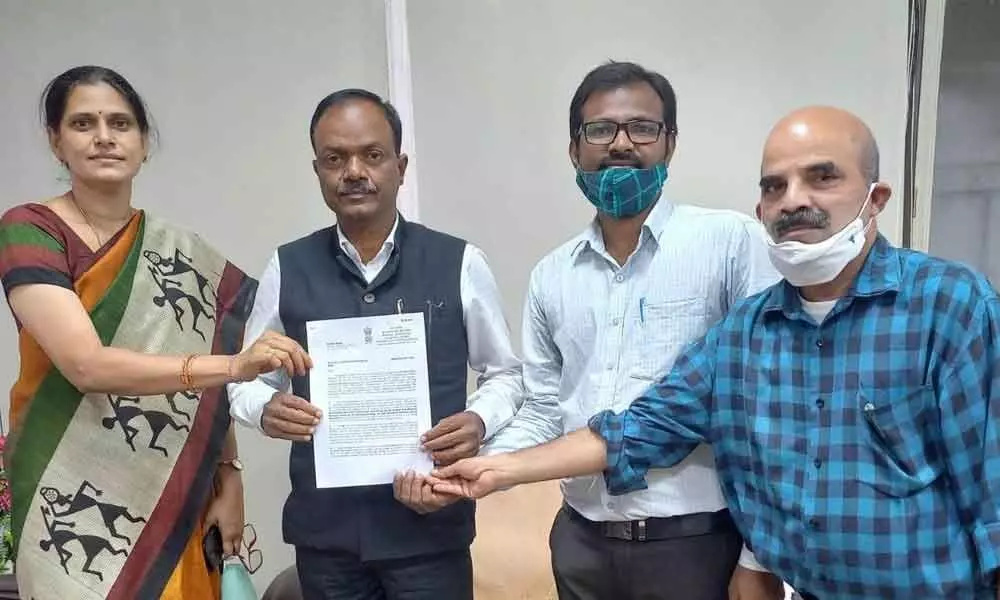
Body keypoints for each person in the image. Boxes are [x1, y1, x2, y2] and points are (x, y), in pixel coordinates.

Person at [433, 105, 1000, 600]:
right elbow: (636, 429)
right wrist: (495, 469)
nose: (793, 200)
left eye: (821, 177)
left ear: (875, 198)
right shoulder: (745, 335)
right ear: (761, 212)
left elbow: (991, 485)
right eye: (774, 186)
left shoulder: (950, 307)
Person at [0, 66, 310, 599]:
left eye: (120, 123)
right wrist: (234, 366)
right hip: (67, 483)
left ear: (143, 144)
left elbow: (206, 354)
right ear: (56, 142)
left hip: (174, 486)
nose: (104, 136)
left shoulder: (182, 255)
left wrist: (229, 475)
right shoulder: (30, 230)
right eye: (83, 123)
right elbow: (86, 365)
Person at [476, 61, 783, 600]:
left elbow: (766, 410)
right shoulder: (552, 275)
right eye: (600, 130)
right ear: (575, 149)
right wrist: (482, 462)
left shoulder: (731, 243)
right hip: (580, 543)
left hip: (695, 545)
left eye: (641, 128)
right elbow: (545, 407)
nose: (621, 143)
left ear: (669, 143)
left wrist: (756, 556)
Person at [227, 88, 522, 600]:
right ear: (317, 170)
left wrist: (478, 421)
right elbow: (246, 379)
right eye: (335, 159)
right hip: (327, 535)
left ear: (400, 167)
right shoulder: (287, 267)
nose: (355, 171)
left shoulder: (459, 262)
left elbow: (507, 374)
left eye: (373, 155)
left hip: (429, 527)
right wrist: (266, 408)